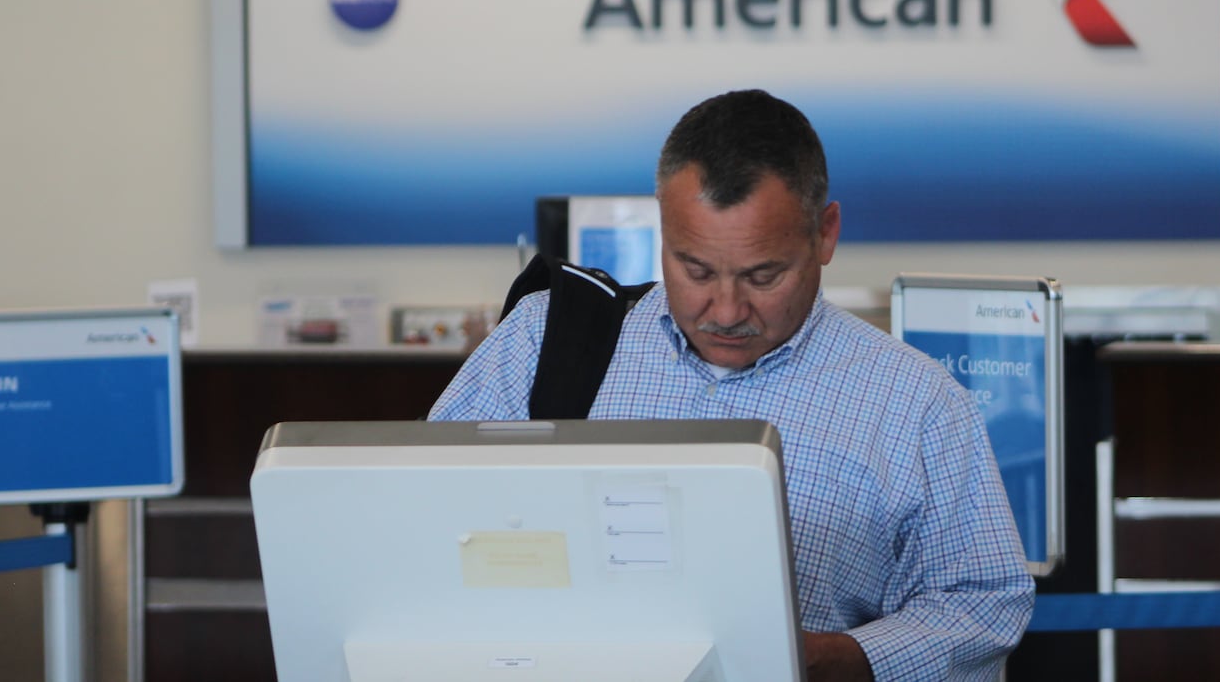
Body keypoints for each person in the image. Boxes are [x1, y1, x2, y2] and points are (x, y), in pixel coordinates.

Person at [429, 89, 1035, 681]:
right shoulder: (543, 342)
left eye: (762, 275)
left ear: (825, 234)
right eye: (694, 270)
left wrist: (844, 659)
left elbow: (982, 601)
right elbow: (423, 522)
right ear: (662, 230)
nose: (724, 310)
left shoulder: (916, 403)